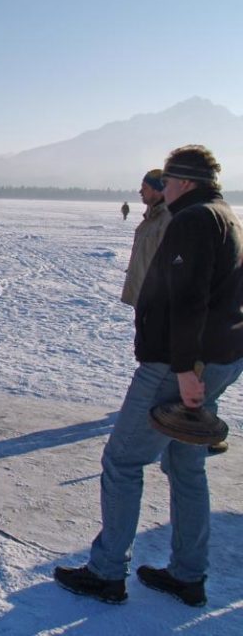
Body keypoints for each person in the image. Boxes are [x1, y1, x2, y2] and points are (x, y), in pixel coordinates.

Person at [54, 145, 243, 608]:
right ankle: (187, 574)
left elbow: (188, 300)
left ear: (184, 182)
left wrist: (183, 370)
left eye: (169, 181)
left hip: (179, 365)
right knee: (185, 463)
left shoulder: (194, 220)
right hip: (216, 358)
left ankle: (106, 572)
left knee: (122, 461)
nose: (163, 187)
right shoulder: (226, 215)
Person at [120, 169, 171, 307]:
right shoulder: (151, 218)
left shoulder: (167, 220)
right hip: (143, 298)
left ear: (158, 190)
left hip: (156, 301)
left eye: (145, 188)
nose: (140, 191)